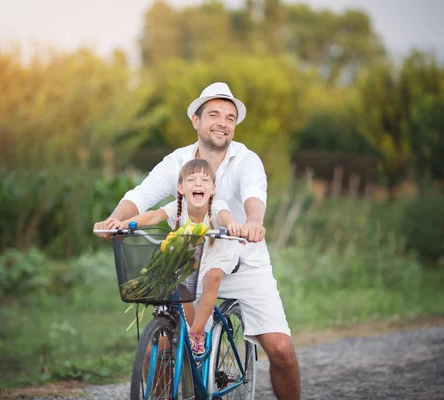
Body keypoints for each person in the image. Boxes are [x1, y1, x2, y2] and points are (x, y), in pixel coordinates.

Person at [94, 81, 301, 399]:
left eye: (230, 117)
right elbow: (141, 197)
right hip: (187, 258)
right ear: (197, 120)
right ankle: (188, 349)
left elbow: (254, 199)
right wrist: (116, 220)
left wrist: (254, 225)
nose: (223, 123)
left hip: (241, 256)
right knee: (158, 350)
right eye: (214, 114)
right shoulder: (177, 162)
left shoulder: (247, 160)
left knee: (281, 348)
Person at [109, 158, 244, 354]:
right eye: (191, 179)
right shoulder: (177, 208)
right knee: (179, 287)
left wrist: (232, 224)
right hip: (190, 258)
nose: (198, 183)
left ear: (213, 188)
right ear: (181, 188)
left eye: (205, 180)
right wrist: (126, 223)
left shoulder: (216, 206)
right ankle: (193, 330)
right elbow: (153, 216)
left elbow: (225, 216)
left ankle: (196, 333)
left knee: (212, 277)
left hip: (217, 255)